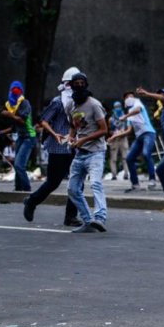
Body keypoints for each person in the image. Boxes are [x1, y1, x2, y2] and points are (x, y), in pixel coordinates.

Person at [23, 66, 81, 227]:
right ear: (66, 84)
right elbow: (43, 120)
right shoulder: (57, 102)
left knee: (76, 182)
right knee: (53, 182)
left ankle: (71, 216)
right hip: (58, 148)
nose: (76, 87)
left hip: (74, 146)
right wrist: (54, 133)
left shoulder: (80, 102)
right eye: (73, 83)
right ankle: (32, 201)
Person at [65, 72, 108, 233]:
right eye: (76, 83)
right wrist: (71, 137)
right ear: (70, 86)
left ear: (86, 84)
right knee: (72, 189)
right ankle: (88, 221)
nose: (79, 85)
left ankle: (100, 218)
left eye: (82, 82)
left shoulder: (94, 105)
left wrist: (84, 139)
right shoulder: (71, 105)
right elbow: (72, 125)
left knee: (95, 183)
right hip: (79, 153)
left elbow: (104, 130)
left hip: (96, 152)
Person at [0, 81, 36, 191]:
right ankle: (18, 189)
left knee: (19, 165)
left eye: (17, 90)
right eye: (13, 90)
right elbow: (14, 127)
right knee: (17, 164)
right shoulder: (11, 105)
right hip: (21, 137)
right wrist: (0, 132)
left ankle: (26, 189)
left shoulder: (25, 103)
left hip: (29, 137)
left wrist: (9, 114)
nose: (15, 92)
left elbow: (22, 121)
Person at [115, 92, 157, 191]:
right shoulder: (130, 113)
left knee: (146, 153)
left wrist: (125, 116)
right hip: (139, 137)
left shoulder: (137, 103)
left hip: (148, 133)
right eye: (127, 97)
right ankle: (135, 184)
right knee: (129, 158)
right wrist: (115, 136)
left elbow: (137, 110)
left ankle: (152, 179)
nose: (130, 98)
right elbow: (129, 131)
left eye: (131, 96)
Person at [106, 101, 129, 180]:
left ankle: (126, 174)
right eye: (116, 107)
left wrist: (122, 132)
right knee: (113, 158)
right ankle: (114, 175)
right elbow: (109, 130)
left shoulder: (125, 117)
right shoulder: (111, 119)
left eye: (119, 106)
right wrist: (114, 132)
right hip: (114, 138)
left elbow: (128, 128)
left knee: (125, 157)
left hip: (123, 138)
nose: (117, 108)